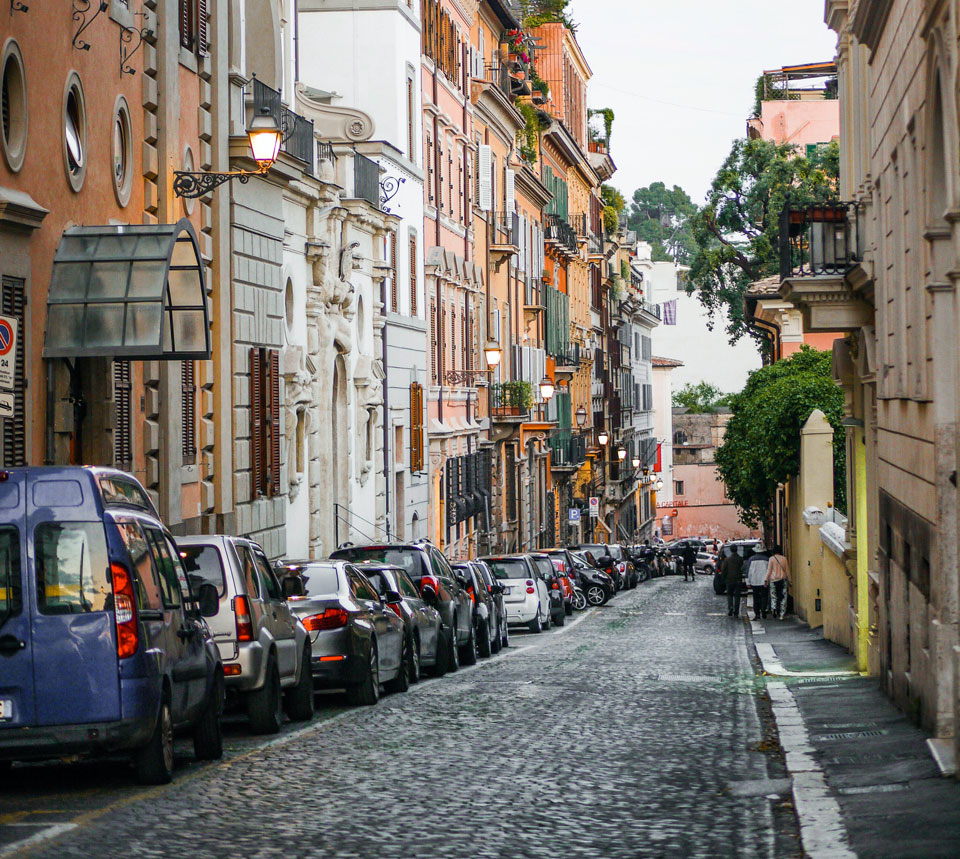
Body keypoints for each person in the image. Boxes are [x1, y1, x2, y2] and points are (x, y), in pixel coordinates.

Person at [765, 546, 791, 618]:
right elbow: (787, 570)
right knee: (783, 597)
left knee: (774, 596)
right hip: (783, 580)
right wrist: (790, 580)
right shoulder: (784, 559)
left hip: (773, 580)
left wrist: (766, 579)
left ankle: (774, 608)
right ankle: (782, 614)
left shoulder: (771, 559)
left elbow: (769, 570)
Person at [721, 548, 744, 617]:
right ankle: (736, 611)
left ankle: (730, 607)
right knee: (737, 596)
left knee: (730, 595)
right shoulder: (740, 559)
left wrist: (724, 577)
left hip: (729, 579)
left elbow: (723, 569)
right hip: (738, 579)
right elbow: (742, 567)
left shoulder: (727, 559)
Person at [746, 551, 769, 620]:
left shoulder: (751, 559)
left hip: (754, 581)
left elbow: (748, 572)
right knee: (764, 596)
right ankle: (763, 610)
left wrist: (748, 582)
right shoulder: (766, 559)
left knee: (756, 598)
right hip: (764, 581)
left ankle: (757, 614)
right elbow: (769, 570)